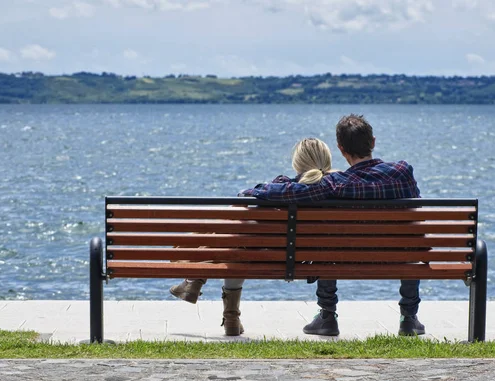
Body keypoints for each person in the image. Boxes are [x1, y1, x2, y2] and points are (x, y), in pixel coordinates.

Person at [239, 114, 425, 337]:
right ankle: (408, 318)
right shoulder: (403, 172)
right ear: (373, 142)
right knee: (410, 244)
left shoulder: (334, 184)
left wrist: (252, 191)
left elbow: (289, 192)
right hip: (398, 255)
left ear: (341, 149)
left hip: (343, 256)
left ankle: (327, 316)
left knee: (327, 241)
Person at [170, 138, 336, 336]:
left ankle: (198, 282)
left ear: (297, 162)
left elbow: (245, 195)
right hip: (306, 260)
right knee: (237, 233)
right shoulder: (336, 190)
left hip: (265, 255)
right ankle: (196, 280)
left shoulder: (282, 188)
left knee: (237, 232)